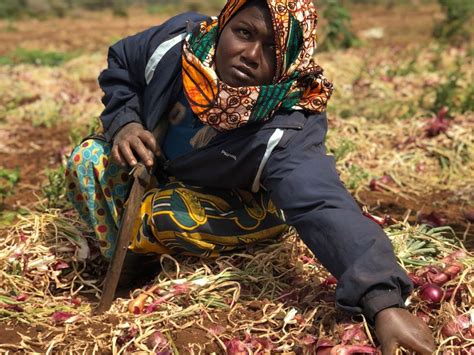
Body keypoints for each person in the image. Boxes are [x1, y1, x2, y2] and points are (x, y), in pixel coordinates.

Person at [65, 0, 436, 353]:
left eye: (274, 49)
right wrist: (125, 122)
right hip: (165, 170)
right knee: (89, 158)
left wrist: (383, 301)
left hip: (238, 202)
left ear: (291, 59)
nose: (252, 55)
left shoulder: (287, 123)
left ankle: (157, 245)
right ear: (224, 22)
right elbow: (123, 65)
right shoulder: (176, 43)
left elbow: (320, 202)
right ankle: (131, 256)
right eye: (243, 33)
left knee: (167, 213)